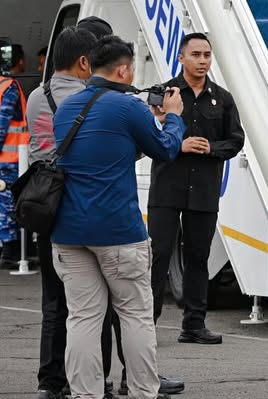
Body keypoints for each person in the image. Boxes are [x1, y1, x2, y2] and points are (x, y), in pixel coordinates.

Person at [51, 35, 185, 399]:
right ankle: (143, 391)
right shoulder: (129, 108)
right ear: (124, 69)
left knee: (82, 318)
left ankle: (85, 394)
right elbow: (166, 149)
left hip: (69, 232)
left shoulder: (66, 108)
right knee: (135, 316)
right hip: (118, 233)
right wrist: (172, 118)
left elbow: (106, 155)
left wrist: (146, 124)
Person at [150, 32, 244, 345]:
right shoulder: (164, 93)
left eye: (206, 55)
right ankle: (146, 325)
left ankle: (194, 324)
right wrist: (180, 144)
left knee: (198, 257)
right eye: (195, 55)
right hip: (167, 187)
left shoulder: (223, 97)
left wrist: (209, 148)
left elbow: (235, 140)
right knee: (159, 254)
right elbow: (148, 138)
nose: (202, 61)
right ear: (181, 58)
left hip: (204, 188)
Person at [0, 41, 29, 269]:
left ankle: (11, 251)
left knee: (7, 203)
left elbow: (2, 124)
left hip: (10, 159)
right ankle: (10, 250)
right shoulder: (7, 86)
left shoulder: (7, 86)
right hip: (8, 158)